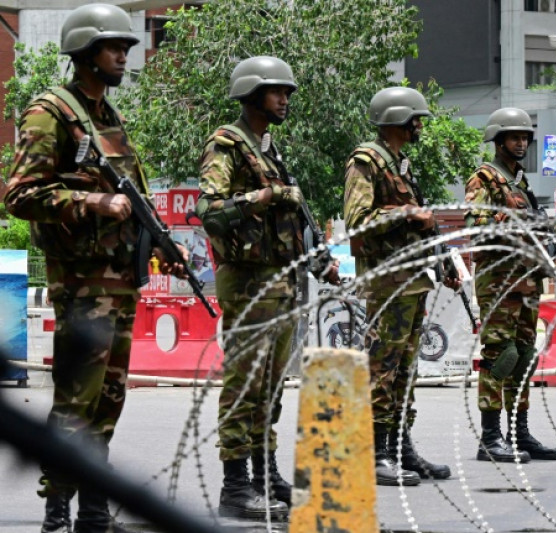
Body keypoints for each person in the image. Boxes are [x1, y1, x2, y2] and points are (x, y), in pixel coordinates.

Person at [2, 5, 187, 532]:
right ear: (85, 53)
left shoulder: (107, 118)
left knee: (108, 401)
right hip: (82, 286)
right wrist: (93, 203)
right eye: (114, 48)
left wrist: (161, 243)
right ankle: (56, 510)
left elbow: (137, 200)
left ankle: (93, 509)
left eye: (126, 48)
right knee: (75, 400)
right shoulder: (51, 112)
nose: (125, 56)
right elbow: (19, 195)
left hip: (120, 283)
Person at [196, 56, 338, 519]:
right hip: (249, 284)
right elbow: (209, 211)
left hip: (282, 284)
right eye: (277, 92)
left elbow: (292, 225)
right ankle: (236, 486)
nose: (285, 99)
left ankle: (264, 472)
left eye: (287, 92)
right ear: (253, 94)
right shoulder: (227, 144)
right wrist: (266, 196)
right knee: (245, 384)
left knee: (271, 389)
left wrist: (320, 262)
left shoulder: (268, 151)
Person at [343, 86, 459, 486]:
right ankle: (376, 453)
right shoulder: (367, 161)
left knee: (405, 370)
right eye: (416, 119)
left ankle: (400, 447)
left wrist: (443, 262)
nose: (420, 126)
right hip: (387, 282)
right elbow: (358, 220)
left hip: (411, 281)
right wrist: (408, 212)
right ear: (398, 119)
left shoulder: (398, 165)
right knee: (383, 368)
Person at [464, 107, 556, 463]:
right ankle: (490, 437)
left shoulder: (520, 182)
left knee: (523, 356)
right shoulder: (485, 178)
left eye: (525, 138)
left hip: (527, 281)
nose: (521, 143)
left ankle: (519, 433)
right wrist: (520, 220)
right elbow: (476, 224)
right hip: (499, 282)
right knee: (499, 356)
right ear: (499, 140)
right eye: (514, 137)